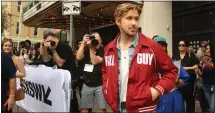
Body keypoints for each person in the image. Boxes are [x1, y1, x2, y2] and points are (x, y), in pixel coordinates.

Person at [102, 3, 178, 112]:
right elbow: (105, 72)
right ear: (118, 21)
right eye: (129, 18)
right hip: (114, 107)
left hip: (144, 109)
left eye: (136, 19)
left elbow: (171, 71)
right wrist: (106, 89)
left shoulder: (152, 46)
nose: (134, 23)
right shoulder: (108, 49)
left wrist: (156, 91)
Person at [40, 32, 80, 112]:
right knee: (61, 98)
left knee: (70, 98)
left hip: (70, 77)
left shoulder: (64, 46)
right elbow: (45, 59)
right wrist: (42, 46)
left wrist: (54, 50)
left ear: (56, 38)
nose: (49, 43)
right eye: (47, 41)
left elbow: (60, 63)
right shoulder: (51, 47)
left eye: (50, 40)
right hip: (60, 77)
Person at [152, 35, 190, 113]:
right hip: (156, 101)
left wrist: (175, 80)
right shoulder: (148, 65)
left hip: (174, 100)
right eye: (157, 45)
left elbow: (184, 83)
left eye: (163, 45)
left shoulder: (174, 64)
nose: (160, 48)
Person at [76, 32, 107, 113]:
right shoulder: (86, 48)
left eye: (97, 39)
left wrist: (91, 48)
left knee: (101, 109)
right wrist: (83, 43)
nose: (95, 41)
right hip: (87, 83)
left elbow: (95, 61)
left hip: (100, 83)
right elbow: (78, 57)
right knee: (84, 108)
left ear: (100, 40)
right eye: (93, 39)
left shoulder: (104, 49)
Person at [172, 40, 199, 112]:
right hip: (178, 82)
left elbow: (196, 67)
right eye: (179, 45)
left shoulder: (190, 56)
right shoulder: (175, 56)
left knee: (190, 102)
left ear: (186, 46)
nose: (181, 46)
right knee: (179, 102)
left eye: (183, 45)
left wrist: (185, 68)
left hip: (189, 83)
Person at [197, 44, 214, 113]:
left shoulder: (209, 60)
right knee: (211, 106)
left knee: (212, 109)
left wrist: (203, 59)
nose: (208, 50)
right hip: (206, 87)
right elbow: (202, 73)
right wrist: (198, 72)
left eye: (210, 48)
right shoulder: (206, 60)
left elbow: (211, 67)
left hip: (213, 86)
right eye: (207, 49)